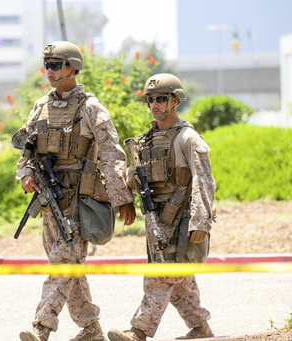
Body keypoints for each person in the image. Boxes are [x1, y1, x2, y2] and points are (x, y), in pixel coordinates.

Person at [15, 41, 136, 341]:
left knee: (63, 262)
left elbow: (112, 154)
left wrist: (122, 199)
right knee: (68, 264)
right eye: (47, 65)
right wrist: (25, 173)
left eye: (56, 65)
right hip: (48, 199)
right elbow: (26, 151)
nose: (50, 71)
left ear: (72, 68)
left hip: (80, 201)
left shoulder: (90, 108)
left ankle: (42, 326)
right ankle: (90, 326)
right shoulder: (41, 106)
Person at [107, 73, 216, 341]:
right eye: (149, 99)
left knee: (161, 274)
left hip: (179, 217)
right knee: (178, 278)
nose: (154, 104)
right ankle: (201, 327)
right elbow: (132, 178)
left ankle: (140, 330)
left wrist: (201, 222)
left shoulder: (187, 138)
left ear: (175, 101)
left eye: (160, 99)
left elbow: (205, 181)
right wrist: (130, 183)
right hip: (155, 217)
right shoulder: (146, 140)